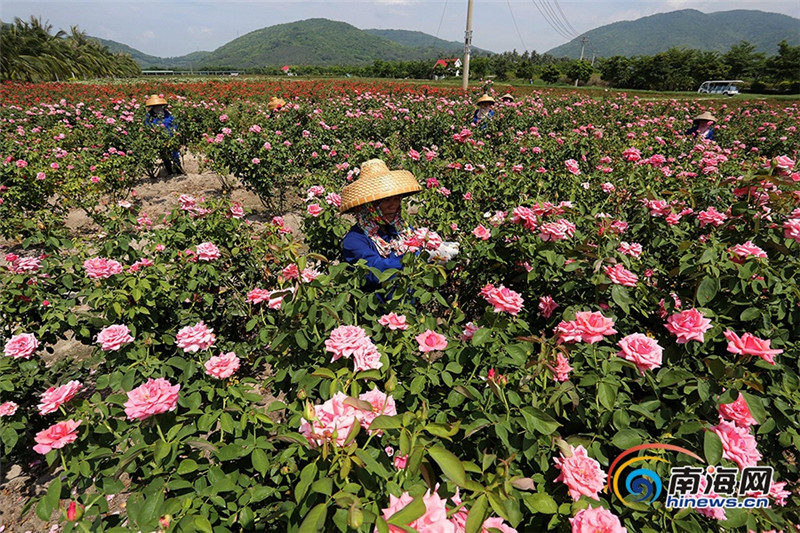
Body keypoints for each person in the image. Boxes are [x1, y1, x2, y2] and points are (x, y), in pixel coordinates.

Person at [340, 159, 422, 292]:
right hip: (378, 308)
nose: (393, 205)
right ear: (369, 206)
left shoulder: (402, 229)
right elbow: (374, 271)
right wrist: (414, 259)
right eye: (386, 200)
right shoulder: (355, 239)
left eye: (396, 199)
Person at [144, 95, 183, 174]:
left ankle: (178, 169)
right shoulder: (149, 115)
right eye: (156, 106)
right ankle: (169, 170)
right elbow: (147, 125)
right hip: (160, 138)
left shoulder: (166, 113)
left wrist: (174, 129)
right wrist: (152, 130)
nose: (159, 108)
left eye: (160, 106)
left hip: (171, 136)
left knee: (174, 153)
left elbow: (174, 121)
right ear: (153, 107)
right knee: (164, 154)